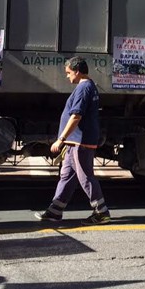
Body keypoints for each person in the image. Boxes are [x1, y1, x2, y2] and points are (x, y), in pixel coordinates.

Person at [35, 56, 111, 225]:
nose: (67, 76)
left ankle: (101, 212)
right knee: (67, 176)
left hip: (80, 142)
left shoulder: (84, 88)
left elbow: (76, 115)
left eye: (68, 73)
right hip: (75, 142)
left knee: (85, 177)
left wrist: (60, 139)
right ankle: (55, 211)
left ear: (77, 71)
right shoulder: (86, 86)